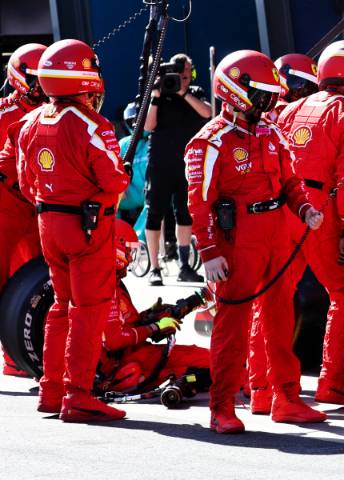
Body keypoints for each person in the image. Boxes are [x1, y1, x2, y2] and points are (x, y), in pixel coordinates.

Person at [185, 50, 325, 433]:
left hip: (275, 233)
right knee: (232, 324)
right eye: (261, 94)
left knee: (281, 318)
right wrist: (209, 251)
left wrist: (305, 210)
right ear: (235, 91)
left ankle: (285, 399)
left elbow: (291, 182)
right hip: (236, 240)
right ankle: (222, 407)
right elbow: (198, 203)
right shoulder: (209, 142)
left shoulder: (271, 130)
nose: (268, 103)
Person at [11, 39, 129, 421]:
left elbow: (26, 182)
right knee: (89, 309)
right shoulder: (93, 125)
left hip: (49, 223)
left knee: (61, 306)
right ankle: (78, 394)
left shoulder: (29, 121)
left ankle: (51, 388)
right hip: (88, 226)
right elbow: (114, 181)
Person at [275, 40, 344, 406]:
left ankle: (264, 387)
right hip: (322, 207)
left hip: (283, 203)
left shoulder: (290, 109)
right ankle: (332, 381)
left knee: (276, 296)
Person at [100, 219, 210, 394]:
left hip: (135, 354)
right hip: (125, 361)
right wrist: (155, 327)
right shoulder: (104, 287)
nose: (131, 256)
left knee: (206, 360)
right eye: (129, 250)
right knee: (210, 363)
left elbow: (128, 324)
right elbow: (114, 340)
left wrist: (151, 313)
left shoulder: (112, 283)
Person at [144, 53, 212, 285]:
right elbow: (148, 126)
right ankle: (155, 268)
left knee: (185, 212)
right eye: (180, 74)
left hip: (187, 164)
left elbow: (207, 112)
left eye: (187, 73)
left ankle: (185, 265)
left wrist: (184, 93)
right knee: (155, 213)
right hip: (161, 162)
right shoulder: (159, 93)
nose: (184, 77)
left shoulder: (195, 92)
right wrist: (155, 96)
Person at [0, 43, 45, 377]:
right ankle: (11, 354)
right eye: (35, 78)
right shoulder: (4, 113)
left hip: (40, 210)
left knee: (38, 283)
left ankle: (25, 352)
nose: (41, 85)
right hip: (6, 208)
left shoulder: (58, 111)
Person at [116, 102, 149, 228]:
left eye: (140, 121)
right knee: (108, 201)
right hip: (130, 194)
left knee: (154, 204)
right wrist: (120, 189)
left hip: (151, 193)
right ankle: (115, 236)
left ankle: (138, 239)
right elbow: (115, 168)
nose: (137, 126)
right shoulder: (124, 144)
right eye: (132, 122)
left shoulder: (155, 139)